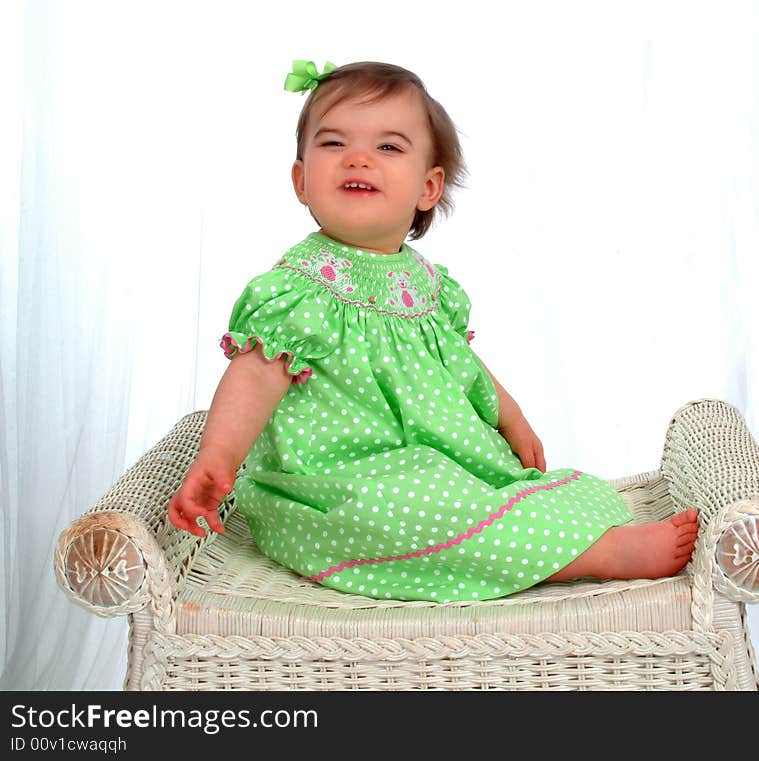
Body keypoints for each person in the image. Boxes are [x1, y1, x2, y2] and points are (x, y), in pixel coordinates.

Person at [167, 59, 699, 602]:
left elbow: (462, 363)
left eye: (389, 148)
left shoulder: (427, 283)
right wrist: (218, 459)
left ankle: (540, 531)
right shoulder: (297, 290)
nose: (358, 158)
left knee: (484, 490)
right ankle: (597, 556)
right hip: (335, 486)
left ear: (428, 186)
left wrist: (510, 418)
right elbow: (253, 377)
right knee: (402, 508)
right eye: (332, 144)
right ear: (301, 180)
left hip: (433, 463)